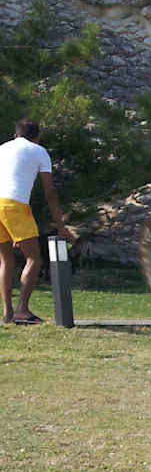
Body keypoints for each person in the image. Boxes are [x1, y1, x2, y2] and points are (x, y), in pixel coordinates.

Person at [0, 119, 77, 326]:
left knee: (5, 260)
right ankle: (22, 310)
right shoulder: (39, 151)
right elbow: (49, 191)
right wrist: (60, 225)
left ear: (15, 135)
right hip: (15, 205)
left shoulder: (2, 148)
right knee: (34, 258)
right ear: (37, 137)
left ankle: (7, 314)